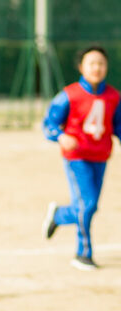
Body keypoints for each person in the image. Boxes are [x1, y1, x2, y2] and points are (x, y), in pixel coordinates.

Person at [42, 45, 121, 270]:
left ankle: (59, 215)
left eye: (101, 63)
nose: (97, 68)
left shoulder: (113, 96)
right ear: (81, 67)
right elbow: (48, 123)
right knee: (87, 204)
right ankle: (83, 253)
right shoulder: (69, 95)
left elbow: (118, 126)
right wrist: (61, 136)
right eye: (92, 63)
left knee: (90, 206)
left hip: (101, 157)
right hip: (77, 157)